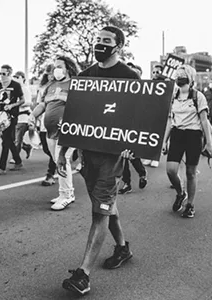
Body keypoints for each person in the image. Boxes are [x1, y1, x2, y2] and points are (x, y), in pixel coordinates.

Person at [59, 26, 137, 296]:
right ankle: (123, 248)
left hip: (112, 157)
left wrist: (133, 146)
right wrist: (63, 151)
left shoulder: (130, 77)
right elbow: (75, 116)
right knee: (105, 204)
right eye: (98, 40)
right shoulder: (85, 76)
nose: (100, 45)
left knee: (99, 210)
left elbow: (138, 118)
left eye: (107, 41)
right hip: (88, 155)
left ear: (119, 46)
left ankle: (84, 274)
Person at [163, 65, 212, 218]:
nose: (179, 77)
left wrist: (209, 143)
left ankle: (190, 205)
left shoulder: (198, 96)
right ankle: (181, 193)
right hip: (177, 134)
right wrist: (164, 141)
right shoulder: (173, 96)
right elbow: (170, 121)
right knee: (171, 170)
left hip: (193, 135)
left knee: (190, 173)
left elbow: (204, 121)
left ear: (190, 77)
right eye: (177, 74)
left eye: (183, 74)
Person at [31, 56, 79, 210]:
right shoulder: (51, 85)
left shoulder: (75, 85)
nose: (56, 69)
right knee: (57, 160)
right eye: (55, 66)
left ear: (68, 68)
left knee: (62, 160)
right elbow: (43, 105)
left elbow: (80, 107)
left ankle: (66, 195)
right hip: (50, 131)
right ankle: (66, 192)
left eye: (59, 66)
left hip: (66, 132)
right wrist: (33, 116)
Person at [118, 63, 148, 194]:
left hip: (135, 128)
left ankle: (142, 173)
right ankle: (127, 183)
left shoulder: (145, 92)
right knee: (122, 156)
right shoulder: (121, 89)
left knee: (133, 155)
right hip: (121, 127)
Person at [0, 64, 25, 175]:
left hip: (12, 116)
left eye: (4, 73)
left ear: (9, 74)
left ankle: (1, 167)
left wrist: (12, 106)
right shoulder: (0, 85)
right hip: (2, 114)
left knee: (5, 141)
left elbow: (22, 100)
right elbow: (0, 99)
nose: (1, 75)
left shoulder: (16, 85)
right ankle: (18, 161)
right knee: (8, 140)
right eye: (0, 73)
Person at [36, 64, 56, 186]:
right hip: (44, 122)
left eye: (52, 73)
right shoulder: (43, 88)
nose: (50, 76)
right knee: (46, 148)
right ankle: (60, 161)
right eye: (48, 73)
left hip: (56, 123)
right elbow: (40, 105)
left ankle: (50, 174)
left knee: (54, 149)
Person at [143, 64, 165, 167]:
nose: (155, 74)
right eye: (154, 72)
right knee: (149, 134)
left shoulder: (166, 83)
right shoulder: (150, 83)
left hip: (161, 111)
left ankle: (156, 157)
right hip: (151, 111)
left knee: (158, 134)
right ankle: (148, 156)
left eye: (158, 72)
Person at [12, 71, 33, 161]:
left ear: (23, 78)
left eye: (18, 77)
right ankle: (26, 147)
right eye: (15, 77)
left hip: (23, 116)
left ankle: (16, 158)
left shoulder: (25, 89)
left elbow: (29, 102)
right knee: (13, 138)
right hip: (15, 117)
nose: (16, 79)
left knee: (17, 139)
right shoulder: (15, 89)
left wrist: (17, 104)